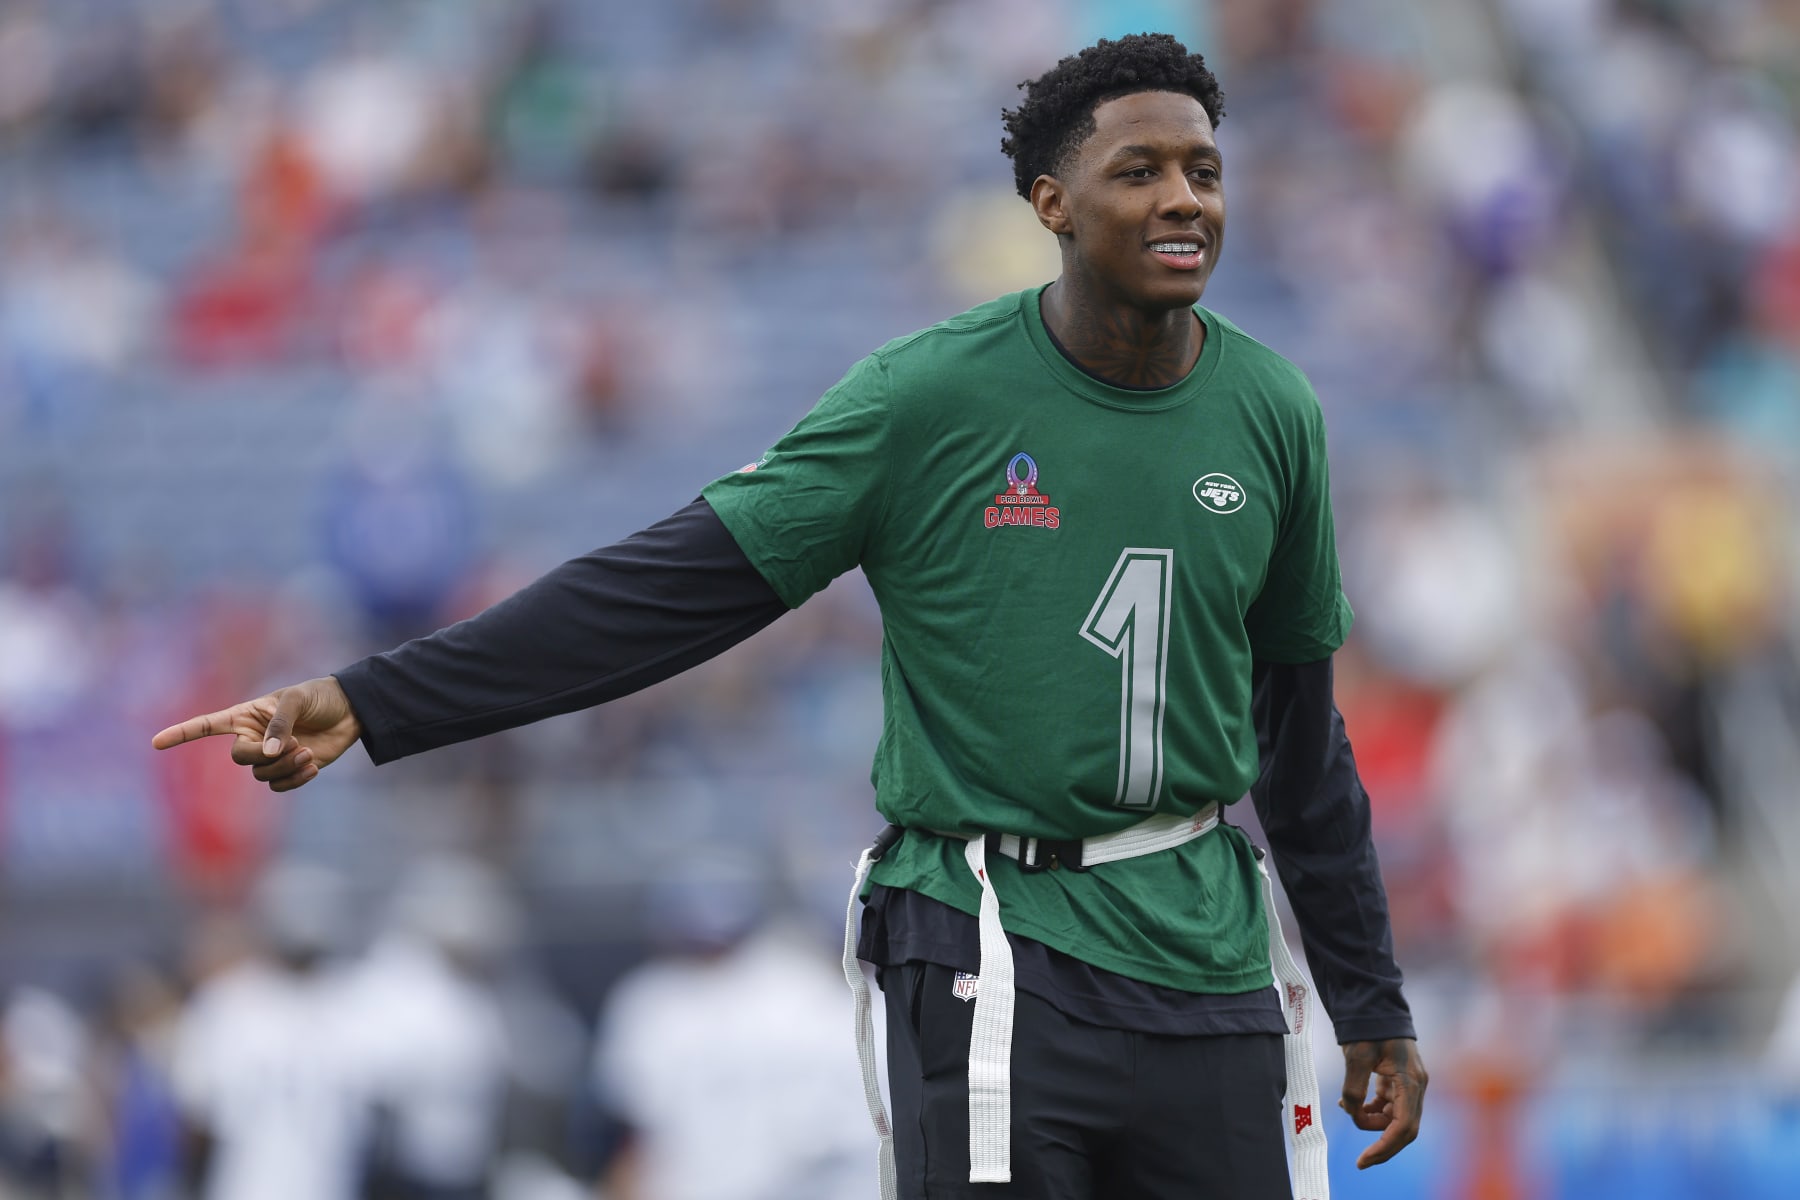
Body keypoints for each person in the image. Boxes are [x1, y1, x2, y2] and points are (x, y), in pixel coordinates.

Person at [153, 33, 1426, 1200]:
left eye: (1202, 169)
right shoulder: (929, 400)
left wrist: (1372, 998)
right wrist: (376, 701)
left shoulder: (1274, 411)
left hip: (1203, 948)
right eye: (1139, 170)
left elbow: (1302, 742)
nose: (1182, 200)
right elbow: (670, 590)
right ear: (1051, 204)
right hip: (995, 937)